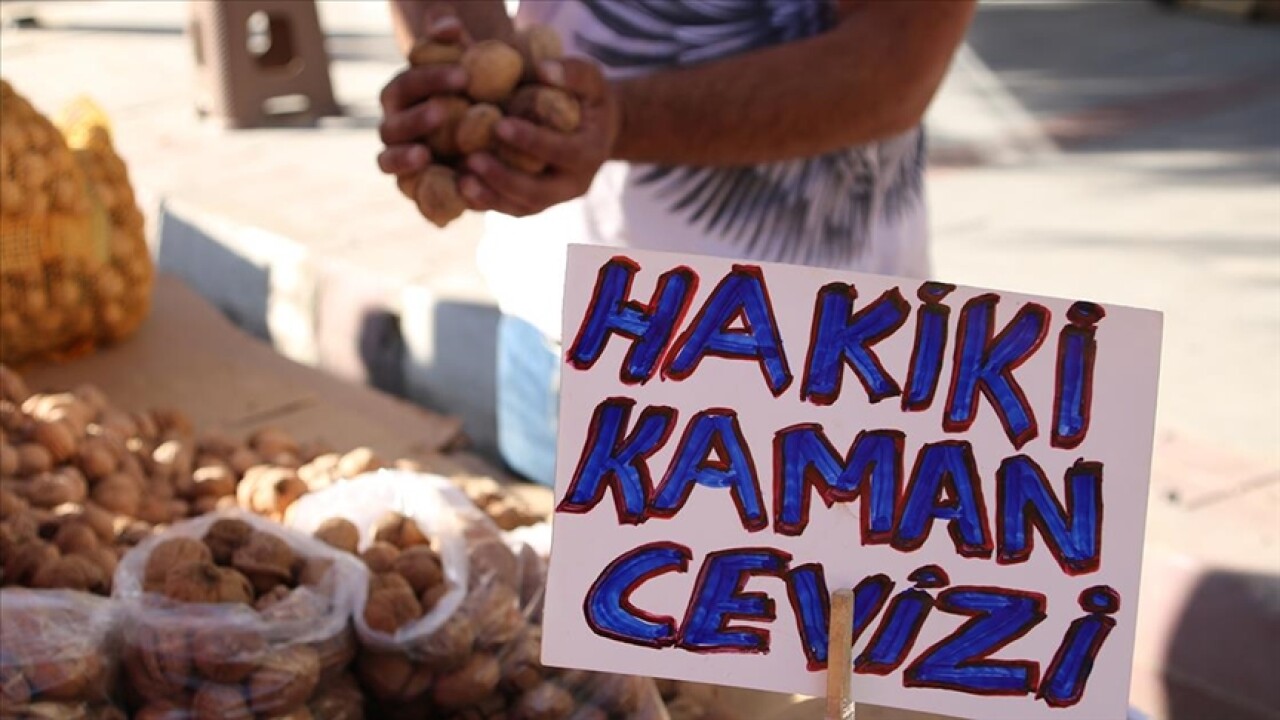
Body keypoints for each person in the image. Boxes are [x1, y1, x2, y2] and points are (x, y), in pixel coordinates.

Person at [378, 0, 976, 487]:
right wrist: (464, 82)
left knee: (835, 595)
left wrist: (616, 122)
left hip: (834, 354)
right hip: (569, 332)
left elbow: (896, 60)